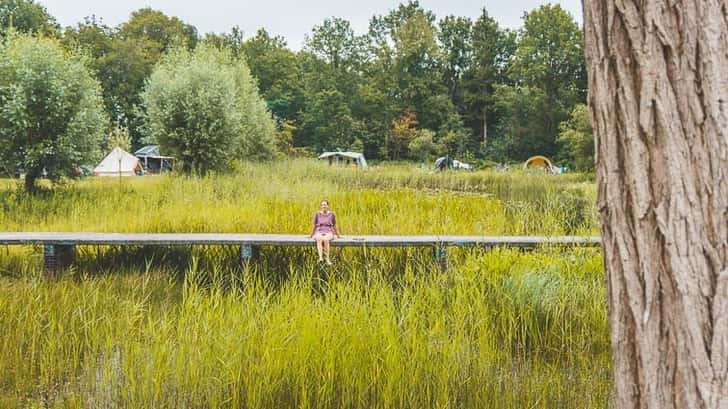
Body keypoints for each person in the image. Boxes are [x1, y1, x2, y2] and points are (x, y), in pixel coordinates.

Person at [310, 200, 340, 264]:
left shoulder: (332, 214)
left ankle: (327, 258)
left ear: (328, 206)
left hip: (328, 231)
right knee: (319, 239)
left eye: (325, 205)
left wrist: (338, 235)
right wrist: (311, 235)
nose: (324, 206)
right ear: (321, 206)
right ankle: (320, 257)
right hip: (319, 231)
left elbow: (334, 225)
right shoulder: (317, 214)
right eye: (322, 205)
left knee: (326, 240)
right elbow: (314, 225)